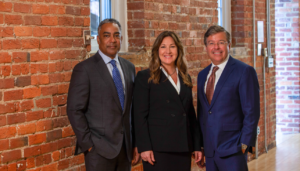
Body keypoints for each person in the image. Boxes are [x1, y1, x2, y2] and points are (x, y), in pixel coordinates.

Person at [67, 18, 140, 171]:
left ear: (121, 38)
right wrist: (88, 145)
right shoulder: (85, 69)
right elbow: (74, 110)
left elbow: (132, 109)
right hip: (98, 151)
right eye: (107, 35)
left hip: (125, 149)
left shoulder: (129, 68)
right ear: (98, 39)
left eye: (116, 35)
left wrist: (135, 143)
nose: (112, 40)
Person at [133, 31, 202, 171]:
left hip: (183, 147)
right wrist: (144, 147)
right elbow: (139, 116)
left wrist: (196, 146)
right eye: (163, 46)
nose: (168, 51)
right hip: (158, 149)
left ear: (178, 50)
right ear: (157, 51)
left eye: (172, 46)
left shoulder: (185, 77)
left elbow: (190, 115)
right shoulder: (145, 77)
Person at [197, 25, 260, 171]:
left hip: (234, 150)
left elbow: (252, 112)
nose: (216, 47)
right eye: (211, 43)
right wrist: (200, 146)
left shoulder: (244, 71)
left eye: (221, 42)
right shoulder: (202, 75)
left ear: (229, 45)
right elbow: (202, 114)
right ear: (206, 47)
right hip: (210, 151)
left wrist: (245, 146)